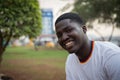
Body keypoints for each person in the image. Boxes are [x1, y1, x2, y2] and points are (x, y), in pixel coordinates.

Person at [55, 12, 120, 80]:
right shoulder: (70, 60)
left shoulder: (111, 55)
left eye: (69, 30)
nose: (64, 38)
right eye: (59, 35)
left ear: (84, 29)